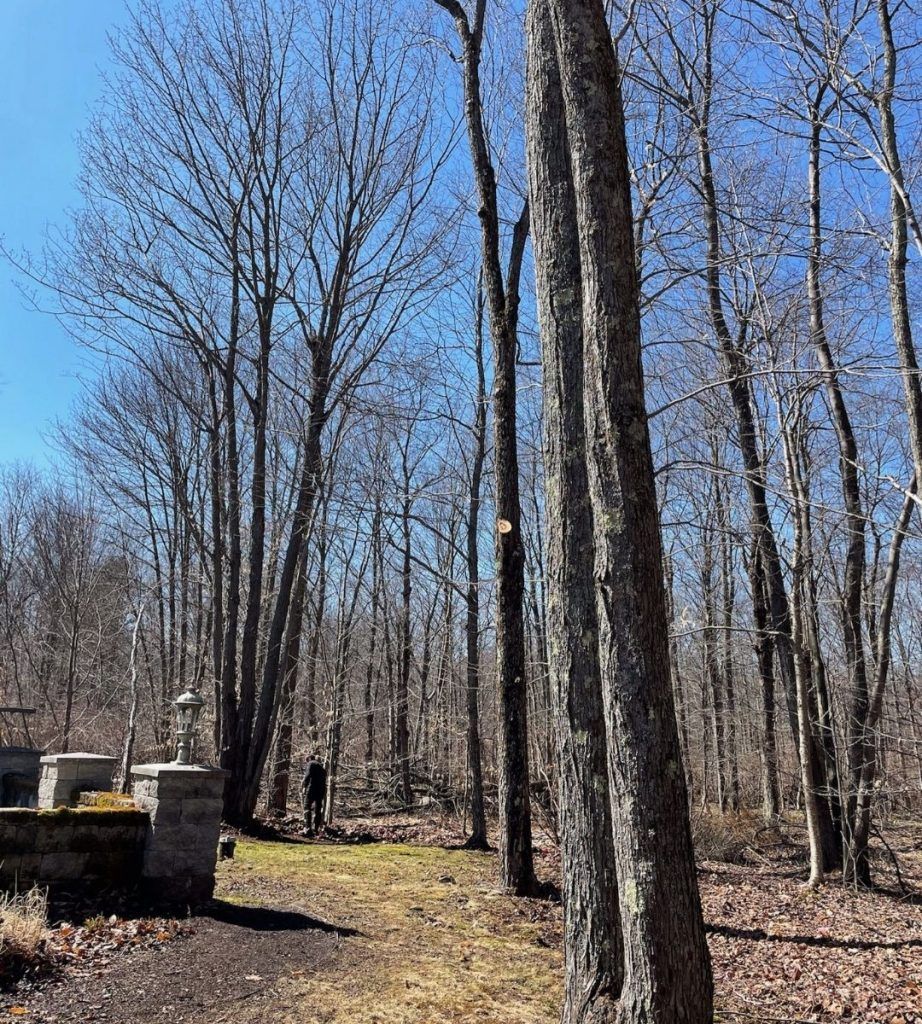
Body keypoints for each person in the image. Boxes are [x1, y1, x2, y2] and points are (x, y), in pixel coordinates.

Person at [301, 752, 327, 835]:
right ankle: (316, 829)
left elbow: (307, 776)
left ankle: (308, 828)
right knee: (317, 809)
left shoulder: (310, 764)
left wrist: (304, 786)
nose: (306, 763)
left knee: (307, 806)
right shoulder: (321, 767)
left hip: (312, 788)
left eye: (306, 761)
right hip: (321, 790)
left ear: (308, 759)